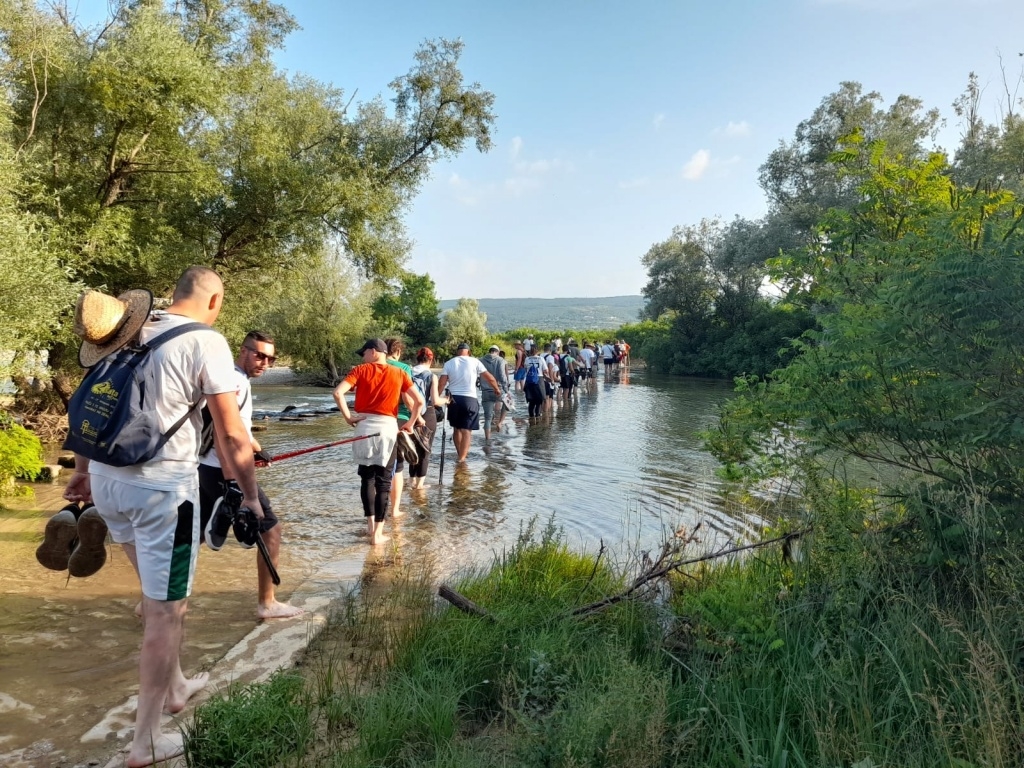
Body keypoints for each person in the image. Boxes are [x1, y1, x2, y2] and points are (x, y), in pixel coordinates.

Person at [62, 266, 261, 768]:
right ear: (214, 301)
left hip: (107, 482)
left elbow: (93, 407)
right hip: (162, 492)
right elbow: (232, 434)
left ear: (173, 295)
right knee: (166, 612)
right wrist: (251, 496)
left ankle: (176, 685)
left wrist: (84, 472)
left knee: (156, 598)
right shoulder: (207, 342)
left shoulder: (129, 329)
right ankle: (145, 741)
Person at [198, 331, 302, 620]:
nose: (265, 362)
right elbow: (226, 434)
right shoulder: (235, 380)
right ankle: (267, 603)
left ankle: (152, 601)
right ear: (242, 350)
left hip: (204, 469)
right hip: (222, 471)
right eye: (259, 355)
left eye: (270, 358)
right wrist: (239, 486)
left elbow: (237, 429)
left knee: (194, 537)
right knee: (271, 531)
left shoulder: (228, 377)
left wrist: (257, 449)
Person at [332, 339, 423, 545]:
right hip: (387, 429)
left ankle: (370, 526)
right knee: (383, 482)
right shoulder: (399, 373)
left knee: (367, 480)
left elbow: (338, 393)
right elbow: (417, 401)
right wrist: (410, 422)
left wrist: (348, 417)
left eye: (364, 353)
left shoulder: (360, 370)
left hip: (363, 426)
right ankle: (377, 535)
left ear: (374, 352)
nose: (362, 357)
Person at [437, 342, 499, 462]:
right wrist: (496, 389)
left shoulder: (449, 363)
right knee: (466, 430)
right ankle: (462, 459)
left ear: (457, 352)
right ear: (469, 352)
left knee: (456, 429)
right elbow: (490, 377)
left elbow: (442, 383)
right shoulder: (475, 361)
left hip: (453, 399)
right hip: (469, 399)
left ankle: (460, 454)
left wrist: (436, 399)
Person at [408, 347, 447, 489]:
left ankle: (410, 480)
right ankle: (419, 485)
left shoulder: (408, 372)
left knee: (412, 447)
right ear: (431, 360)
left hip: (410, 413)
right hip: (427, 414)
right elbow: (435, 400)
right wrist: (447, 400)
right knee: (425, 449)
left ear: (417, 359)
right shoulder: (431, 376)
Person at [385, 338, 416, 518]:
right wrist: (416, 418)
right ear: (397, 351)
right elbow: (407, 397)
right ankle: (394, 510)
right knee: (397, 467)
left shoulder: (370, 366)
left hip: (375, 420)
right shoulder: (403, 368)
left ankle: (373, 514)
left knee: (376, 466)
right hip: (399, 419)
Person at [480, 344, 509, 440]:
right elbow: (502, 375)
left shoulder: (481, 360)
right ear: (498, 351)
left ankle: (487, 440)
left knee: (487, 418)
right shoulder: (500, 360)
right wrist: (506, 389)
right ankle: (500, 422)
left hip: (486, 391)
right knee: (507, 403)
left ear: (490, 351)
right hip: (498, 389)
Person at [522, 344, 548, 418]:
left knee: (531, 401)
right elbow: (546, 370)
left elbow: (525, 369)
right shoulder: (541, 359)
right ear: (538, 350)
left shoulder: (527, 359)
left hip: (529, 380)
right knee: (539, 400)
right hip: (539, 380)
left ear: (530, 350)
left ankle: (531, 418)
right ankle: (537, 417)